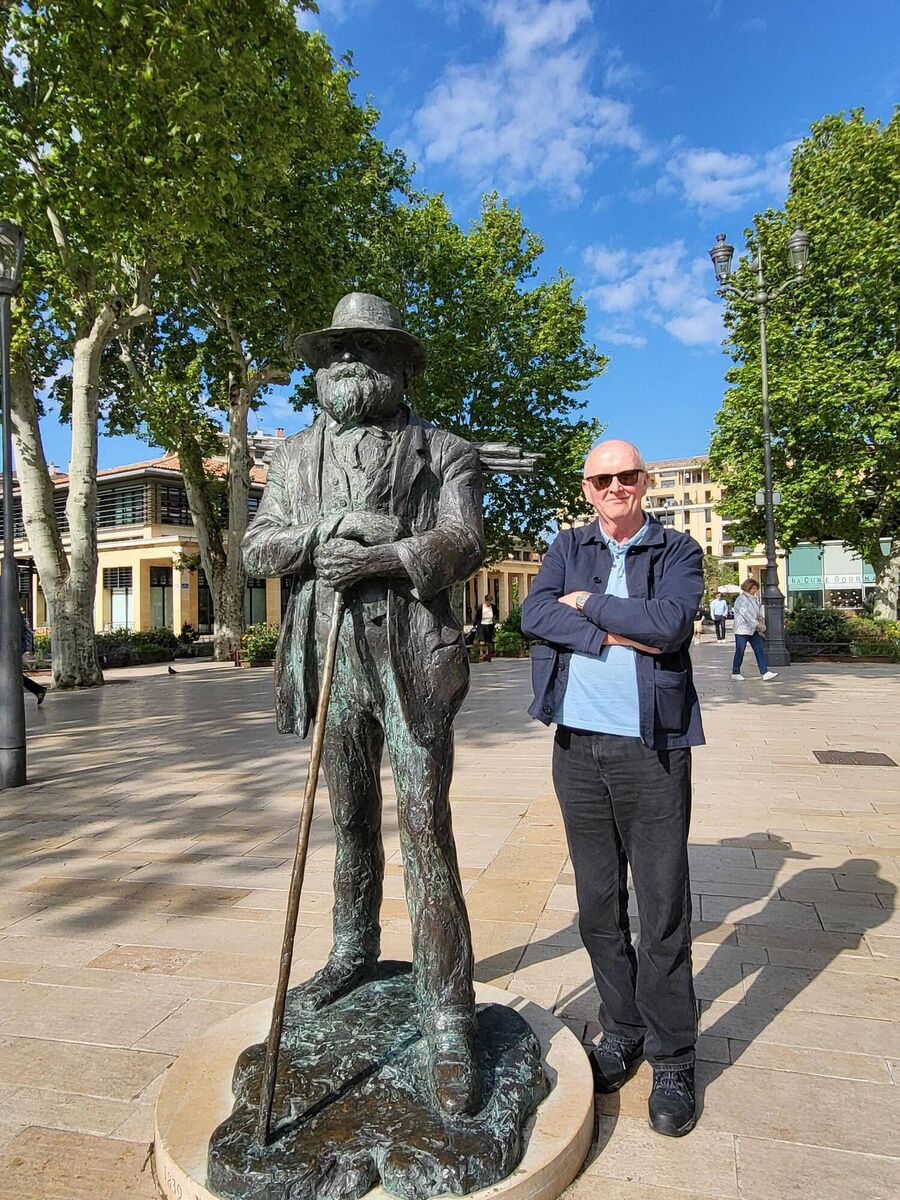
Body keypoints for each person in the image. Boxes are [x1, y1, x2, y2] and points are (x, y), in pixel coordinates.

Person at [243, 293, 485, 1116]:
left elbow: (463, 540)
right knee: (347, 820)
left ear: (400, 369)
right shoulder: (293, 455)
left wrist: (383, 554)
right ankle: (352, 951)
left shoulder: (444, 451)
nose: (346, 364)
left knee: (425, 829)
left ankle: (448, 1014)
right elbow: (257, 549)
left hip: (412, 662)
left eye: (366, 350)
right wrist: (324, 534)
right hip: (330, 660)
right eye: (335, 352)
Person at [521, 438, 704, 1138]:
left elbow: (671, 625)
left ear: (644, 481)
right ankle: (623, 1030)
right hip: (577, 751)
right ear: (587, 488)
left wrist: (589, 604)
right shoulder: (567, 544)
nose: (615, 487)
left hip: (651, 751)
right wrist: (613, 635)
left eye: (627, 476)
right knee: (598, 907)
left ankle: (673, 1057)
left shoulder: (676, 550)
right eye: (603, 480)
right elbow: (535, 614)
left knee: (662, 911)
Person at [731, 578, 778, 681]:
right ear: (748, 588)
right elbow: (746, 614)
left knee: (759, 649)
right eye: (753, 588)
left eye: (756, 588)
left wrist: (761, 619)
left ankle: (764, 672)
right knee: (740, 650)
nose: (755, 590)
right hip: (742, 630)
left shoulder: (755, 599)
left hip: (753, 630)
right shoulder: (741, 599)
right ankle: (735, 672)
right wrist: (757, 624)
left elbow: (758, 611)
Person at [19, 610, 46, 705]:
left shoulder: (11, 611)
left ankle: (38, 690)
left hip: (13, 648)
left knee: (12, 674)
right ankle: (38, 690)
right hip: (13, 648)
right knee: (12, 674)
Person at [476, 594, 496, 659]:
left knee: (488, 640)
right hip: (482, 624)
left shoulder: (493, 607)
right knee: (482, 639)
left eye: (490, 601)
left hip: (490, 624)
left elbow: (495, 613)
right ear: (485, 601)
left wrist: (494, 620)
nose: (489, 603)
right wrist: (474, 624)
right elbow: (477, 616)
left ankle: (487, 653)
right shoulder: (480, 607)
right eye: (488, 601)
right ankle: (481, 652)